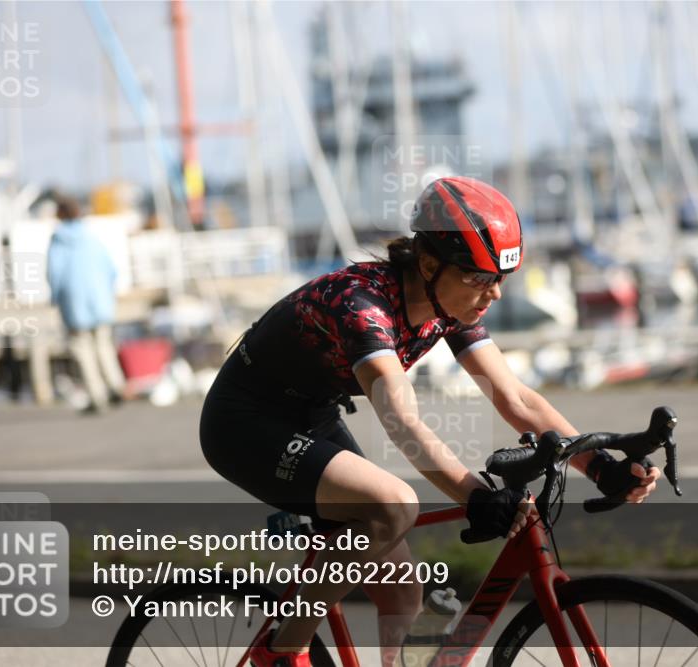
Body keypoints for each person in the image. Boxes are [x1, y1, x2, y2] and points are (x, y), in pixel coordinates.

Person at [200, 177, 661, 667]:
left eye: (500, 279)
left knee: (404, 594)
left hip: (311, 415)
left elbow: (516, 398)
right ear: (427, 264)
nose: (495, 294)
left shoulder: (451, 304)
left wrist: (599, 467)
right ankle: (280, 652)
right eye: (481, 278)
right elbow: (400, 418)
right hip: (244, 424)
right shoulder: (363, 307)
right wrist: (474, 495)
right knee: (394, 505)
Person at [46, 194, 127, 414]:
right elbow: (111, 269)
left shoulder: (58, 239)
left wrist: (54, 298)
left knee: (82, 349)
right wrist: (108, 291)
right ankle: (116, 385)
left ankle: (97, 395)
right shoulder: (92, 237)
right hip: (100, 298)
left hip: (74, 301)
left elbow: (55, 273)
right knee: (103, 344)